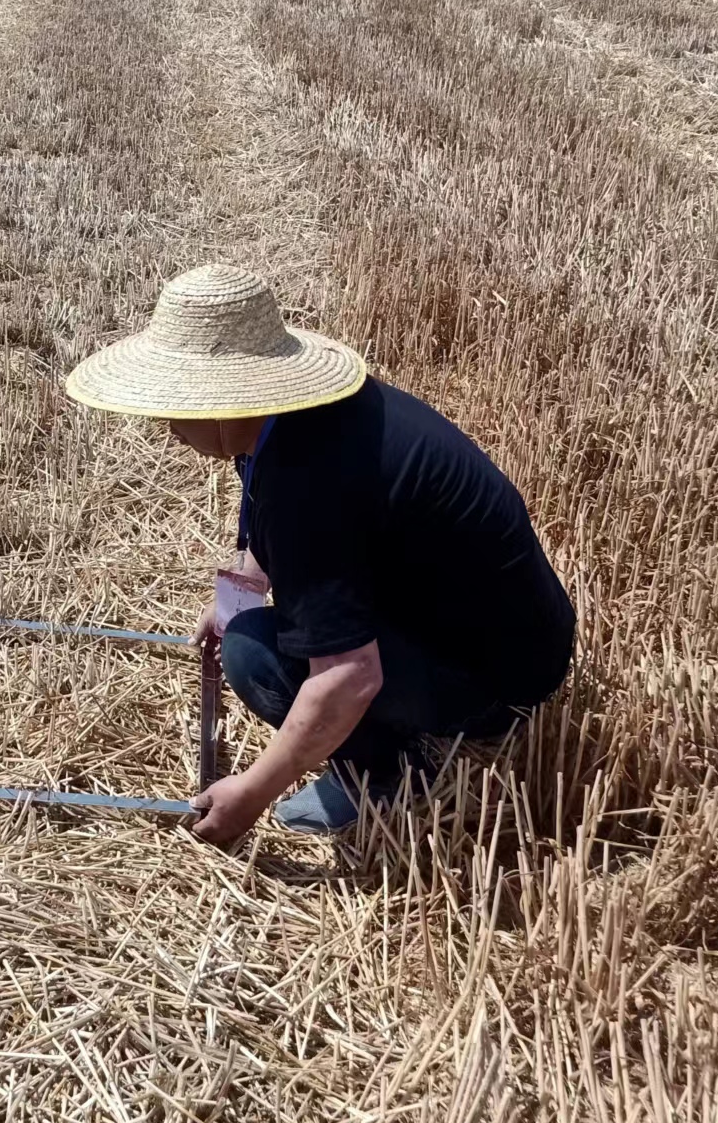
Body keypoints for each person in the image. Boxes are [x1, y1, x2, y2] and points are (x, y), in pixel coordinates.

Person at [66, 264, 574, 843]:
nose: (166, 425)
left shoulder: (308, 482)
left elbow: (349, 676)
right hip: (505, 634)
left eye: (176, 407)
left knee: (251, 654)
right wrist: (236, 597)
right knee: (253, 627)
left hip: (498, 684)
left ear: (225, 402)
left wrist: (251, 794)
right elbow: (281, 533)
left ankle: (384, 774)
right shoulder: (304, 420)